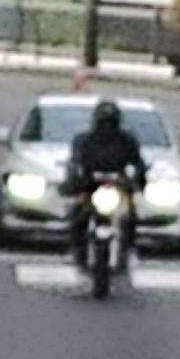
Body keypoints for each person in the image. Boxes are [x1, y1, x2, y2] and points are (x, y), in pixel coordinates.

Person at [62, 99, 146, 258]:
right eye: (103, 122)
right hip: (91, 185)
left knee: (131, 213)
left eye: (110, 123)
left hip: (118, 186)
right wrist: (73, 184)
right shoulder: (84, 140)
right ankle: (76, 246)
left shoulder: (127, 140)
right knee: (78, 211)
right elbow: (74, 164)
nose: (106, 127)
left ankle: (129, 247)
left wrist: (139, 182)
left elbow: (138, 163)